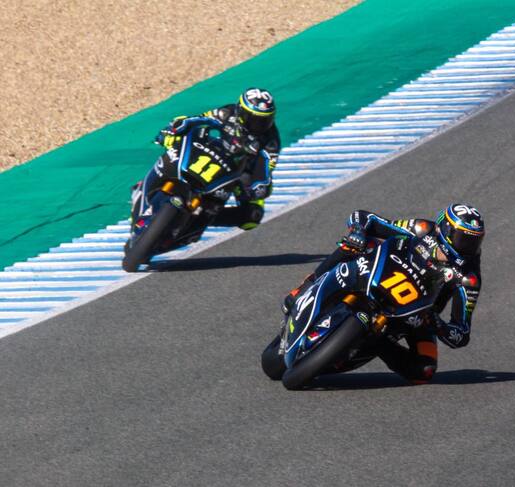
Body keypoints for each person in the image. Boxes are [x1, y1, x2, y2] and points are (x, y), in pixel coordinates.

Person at [283, 203, 484, 384]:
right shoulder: (422, 229)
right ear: (445, 230)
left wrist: (437, 323)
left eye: (474, 242)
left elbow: (461, 334)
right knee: (352, 245)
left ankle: (377, 343)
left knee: (424, 370)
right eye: (464, 240)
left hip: (415, 315)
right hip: (376, 274)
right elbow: (365, 218)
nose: (468, 248)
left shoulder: (469, 278)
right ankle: (306, 286)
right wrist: (358, 231)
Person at [133, 87, 280, 233]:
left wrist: (259, 186)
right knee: (175, 143)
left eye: (265, 119)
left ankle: (201, 220)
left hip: (240, 170)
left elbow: (266, 168)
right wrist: (176, 128)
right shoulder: (227, 112)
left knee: (253, 217)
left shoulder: (271, 140)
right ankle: (146, 187)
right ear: (241, 111)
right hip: (213, 151)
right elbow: (201, 119)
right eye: (255, 119)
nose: (260, 124)